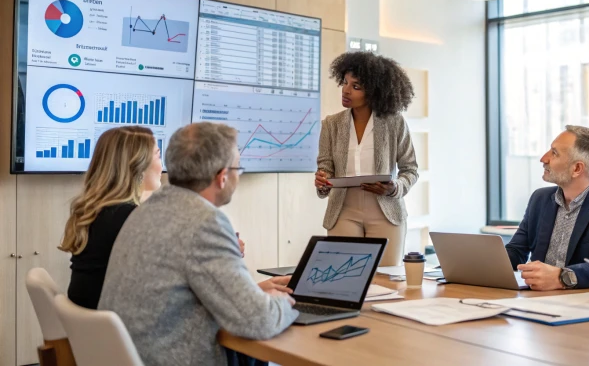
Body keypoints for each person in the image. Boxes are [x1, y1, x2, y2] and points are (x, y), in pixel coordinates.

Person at [98, 122, 297, 366]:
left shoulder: (146, 211)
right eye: (238, 168)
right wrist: (284, 302)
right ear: (222, 177)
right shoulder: (204, 222)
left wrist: (254, 296)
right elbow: (258, 321)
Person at [315, 51, 418, 266]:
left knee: (386, 278)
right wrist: (322, 180)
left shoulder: (394, 123)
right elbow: (325, 169)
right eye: (345, 82)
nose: (346, 90)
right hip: (343, 210)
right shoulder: (331, 124)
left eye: (356, 86)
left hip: (385, 210)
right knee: (342, 276)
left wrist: (395, 188)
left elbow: (410, 169)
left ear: (374, 92)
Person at [505, 126, 589, 290]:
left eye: (554, 153)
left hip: (585, 299)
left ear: (577, 168)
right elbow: (516, 250)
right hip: (535, 295)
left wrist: (562, 277)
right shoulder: (540, 199)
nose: (543, 158)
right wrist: (484, 263)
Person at [59, 126, 163, 309]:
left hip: (90, 319)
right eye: (158, 155)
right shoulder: (131, 219)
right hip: (117, 320)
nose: (163, 166)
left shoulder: (94, 211)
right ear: (138, 166)